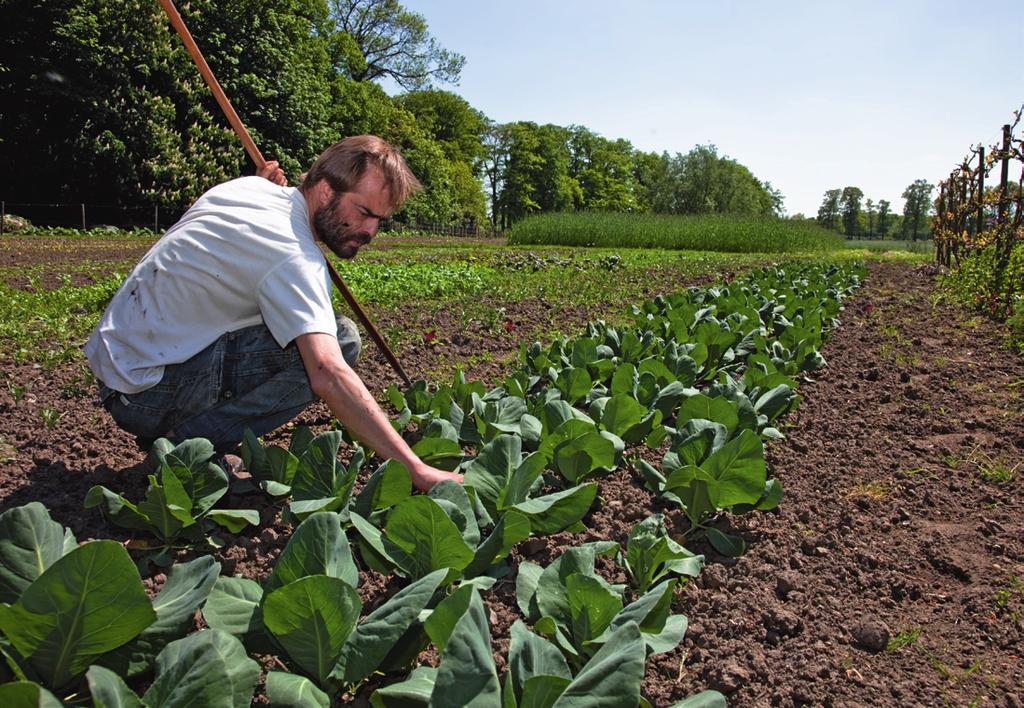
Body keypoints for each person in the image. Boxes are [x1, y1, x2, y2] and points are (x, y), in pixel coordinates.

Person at [85, 135, 461, 491]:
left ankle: (184, 436)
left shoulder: (246, 190)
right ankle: (186, 448)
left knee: (289, 324)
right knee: (341, 341)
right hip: (147, 393)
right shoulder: (293, 254)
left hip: (121, 370)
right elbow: (327, 374)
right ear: (327, 190)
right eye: (364, 212)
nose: (370, 231)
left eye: (381, 220)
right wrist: (416, 469)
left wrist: (262, 181)